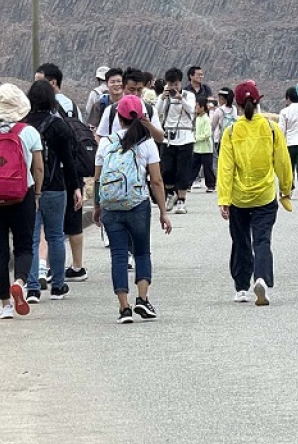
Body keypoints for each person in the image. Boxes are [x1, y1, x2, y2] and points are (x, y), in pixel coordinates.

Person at [92, 95, 171, 323]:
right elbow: (156, 181)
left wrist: (98, 206)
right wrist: (164, 212)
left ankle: (124, 308)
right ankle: (143, 299)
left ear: (118, 116)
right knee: (142, 252)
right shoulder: (146, 144)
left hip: (111, 207)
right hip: (138, 205)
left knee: (118, 255)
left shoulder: (106, 143)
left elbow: (97, 179)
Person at [0, 83, 44, 320]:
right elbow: (39, 167)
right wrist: (36, 194)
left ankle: (4, 304)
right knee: (24, 246)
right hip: (22, 195)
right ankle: (21, 282)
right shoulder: (29, 132)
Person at [218, 81, 293, 305]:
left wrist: (224, 198)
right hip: (265, 196)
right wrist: (286, 190)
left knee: (240, 241)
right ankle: (261, 278)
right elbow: (282, 161)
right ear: (259, 100)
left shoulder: (231, 132)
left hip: (239, 198)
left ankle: (241, 287)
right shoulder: (271, 128)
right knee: (262, 240)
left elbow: (225, 168)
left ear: (238, 104)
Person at [22, 80, 76, 304]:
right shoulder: (59, 125)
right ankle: (58, 285)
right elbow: (68, 161)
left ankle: (32, 288)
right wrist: (76, 188)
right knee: (55, 236)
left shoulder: (22, 125)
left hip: (28, 188)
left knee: (32, 239)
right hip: (55, 186)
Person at [155, 68, 198, 214]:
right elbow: (157, 113)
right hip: (168, 138)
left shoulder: (189, 95)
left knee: (183, 171)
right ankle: (171, 194)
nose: (173, 88)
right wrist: (162, 98)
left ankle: (181, 201)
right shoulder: (164, 96)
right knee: (166, 170)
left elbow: (192, 110)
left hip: (185, 137)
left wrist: (181, 98)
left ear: (181, 82)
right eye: (171, 84)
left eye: (176, 84)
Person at [278, 87, 298, 206]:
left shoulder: (284, 112)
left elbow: (281, 129)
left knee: (289, 168)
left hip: (289, 143)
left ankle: (289, 189)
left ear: (288, 98)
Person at [193, 97, 216, 193]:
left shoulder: (206, 119)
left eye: (197, 106)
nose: (195, 108)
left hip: (206, 148)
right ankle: (188, 183)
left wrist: (197, 138)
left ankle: (211, 185)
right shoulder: (196, 118)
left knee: (208, 168)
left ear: (202, 108)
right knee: (193, 167)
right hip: (197, 148)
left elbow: (207, 134)